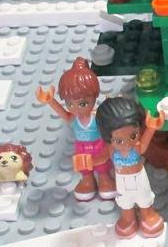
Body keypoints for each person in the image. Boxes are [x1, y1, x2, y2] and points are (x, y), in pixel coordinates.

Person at [35, 57, 116, 201]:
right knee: (84, 168)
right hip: (81, 147)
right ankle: (88, 181)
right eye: (70, 104)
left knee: (102, 165)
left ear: (94, 97)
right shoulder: (74, 119)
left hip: (98, 145)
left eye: (83, 103)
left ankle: (104, 179)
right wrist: (50, 100)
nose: (76, 108)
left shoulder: (97, 117)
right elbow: (63, 113)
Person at [94, 96, 165, 238]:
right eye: (118, 140)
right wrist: (88, 161)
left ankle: (147, 215)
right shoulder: (111, 149)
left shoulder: (137, 147)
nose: (127, 144)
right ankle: (128, 218)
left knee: (144, 197)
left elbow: (143, 145)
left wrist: (152, 127)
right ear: (108, 138)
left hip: (139, 178)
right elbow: (101, 158)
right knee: (125, 201)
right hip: (121, 180)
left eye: (133, 136)